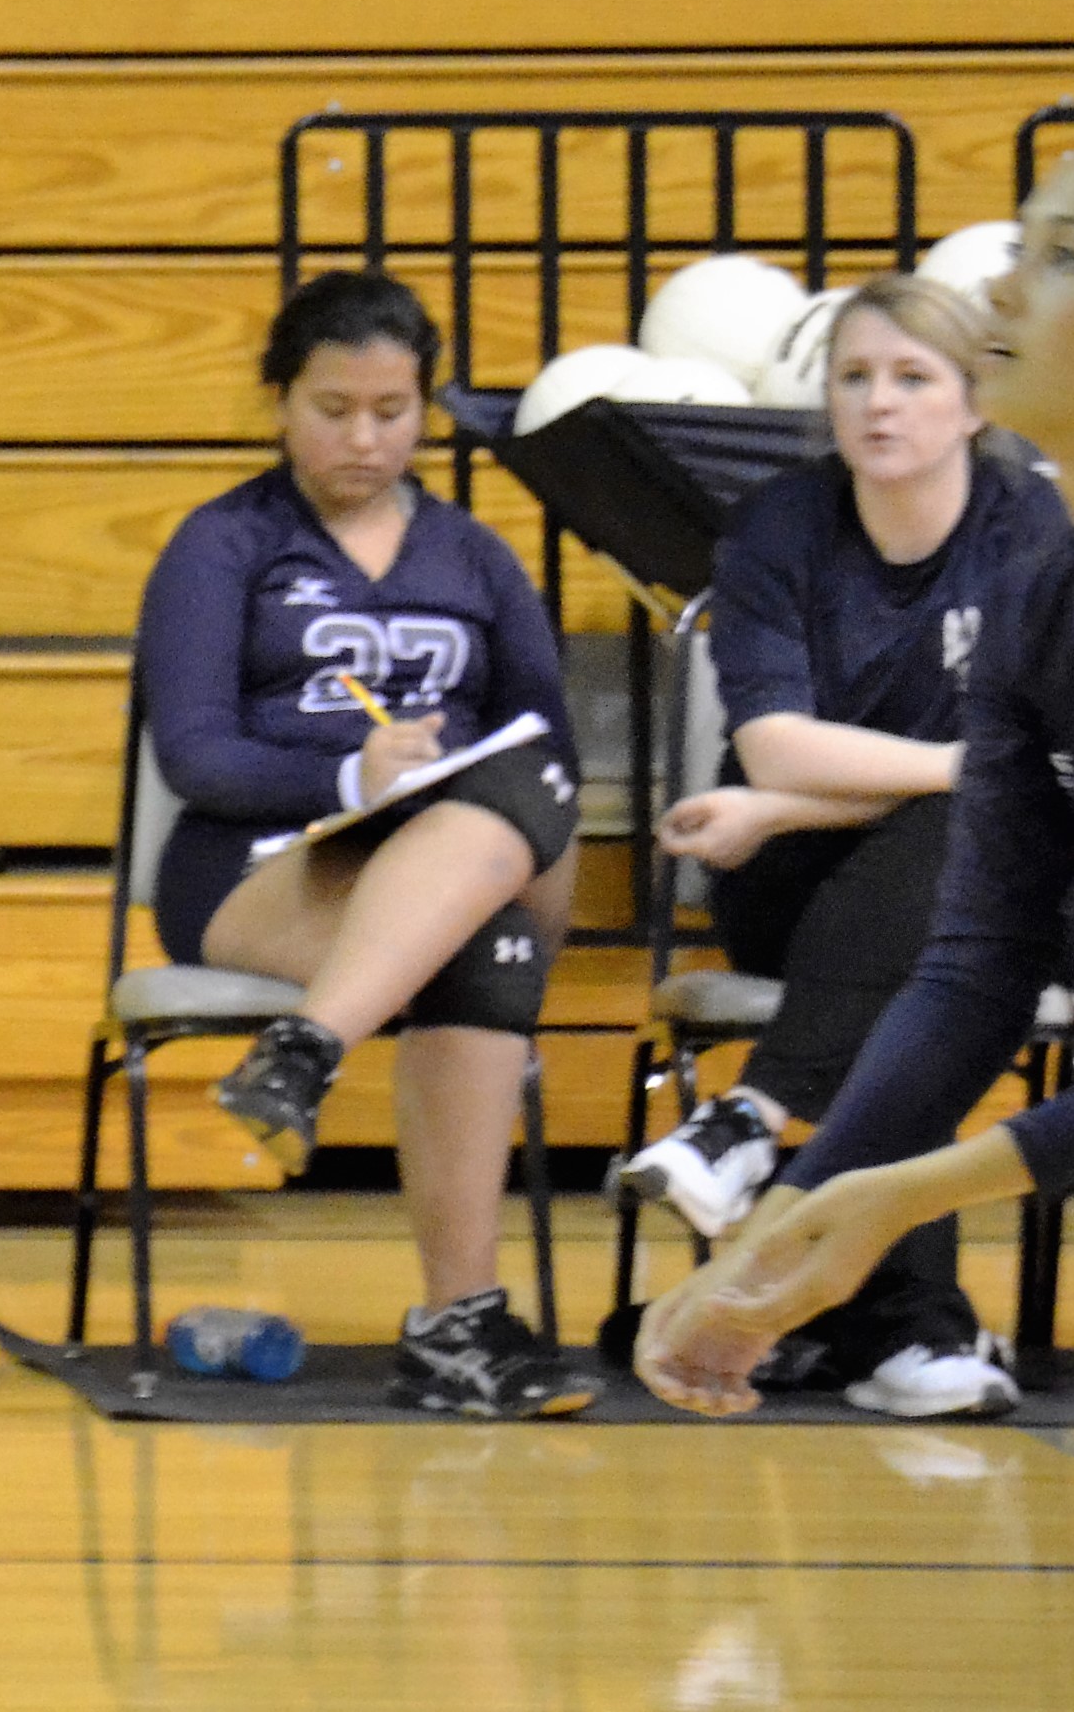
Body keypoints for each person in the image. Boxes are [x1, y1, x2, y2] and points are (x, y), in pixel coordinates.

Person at [644, 170, 1074, 1415]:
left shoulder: (1014, 544)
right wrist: (778, 1237)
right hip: (829, 897)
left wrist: (893, 1189)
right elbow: (975, 966)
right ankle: (877, 1292)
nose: (995, 284)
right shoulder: (1038, 589)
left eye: (1051, 254)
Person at [135, 268, 590, 1417]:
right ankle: (457, 1319)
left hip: (453, 855)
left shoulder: (476, 556)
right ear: (278, 401)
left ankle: (306, 1055)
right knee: (478, 947)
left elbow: (552, 749)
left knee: (508, 837)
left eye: (392, 412)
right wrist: (349, 773)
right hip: (260, 860)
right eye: (332, 408)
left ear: (425, 409)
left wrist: (436, 791)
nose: (363, 437)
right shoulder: (220, 544)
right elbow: (194, 754)